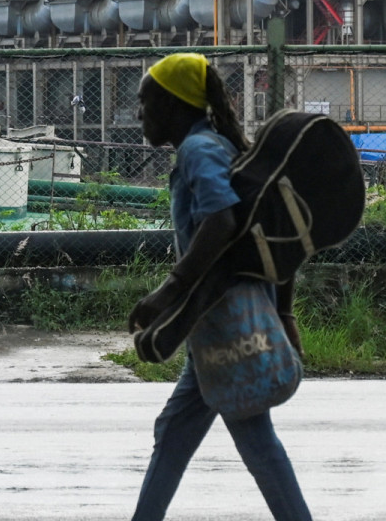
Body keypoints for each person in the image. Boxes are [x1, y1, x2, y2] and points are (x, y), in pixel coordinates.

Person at [126, 52, 311, 521]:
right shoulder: (211, 146)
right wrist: (285, 313)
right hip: (215, 323)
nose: (139, 113)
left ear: (172, 104)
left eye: (146, 103)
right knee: (175, 431)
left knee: (254, 441)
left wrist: (169, 291)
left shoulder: (199, 150)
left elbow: (223, 220)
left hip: (229, 323)